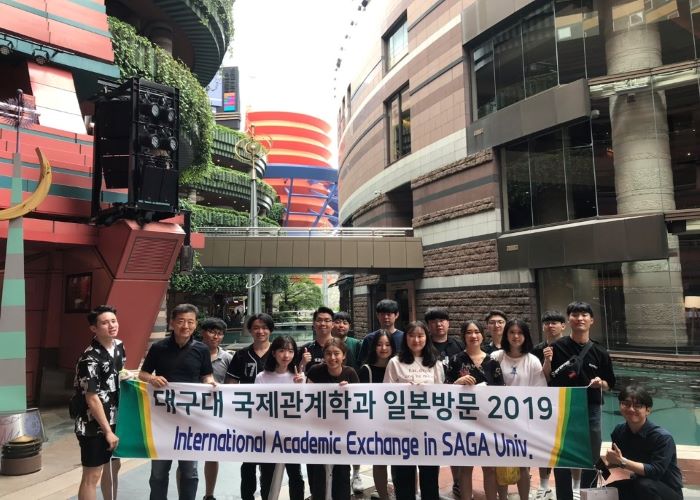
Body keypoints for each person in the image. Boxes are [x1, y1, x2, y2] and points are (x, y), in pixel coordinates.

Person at [139, 303, 215, 500]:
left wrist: (210, 383)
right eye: (181, 321)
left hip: (190, 419)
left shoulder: (201, 349)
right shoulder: (158, 348)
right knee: (158, 472)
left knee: (190, 471)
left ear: (195, 324)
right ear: (172, 323)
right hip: (162, 419)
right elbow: (143, 374)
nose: (185, 326)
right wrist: (152, 378)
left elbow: (206, 375)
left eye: (190, 322)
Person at [549, 301, 616, 500]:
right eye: (575, 315)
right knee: (562, 456)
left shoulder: (600, 351)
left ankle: (589, 495)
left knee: (591, 455)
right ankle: (564, 497)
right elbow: (547, 378)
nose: (580, 318)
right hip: (564, 408)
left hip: (591, 408)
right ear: (568, 319)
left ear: (591, 320)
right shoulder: (556, 348)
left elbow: (610, 383)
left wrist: (601, 383)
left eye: (584, 315)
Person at [384, 321, 443, 500]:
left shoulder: (435, 363)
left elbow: (441, 394)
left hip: (428, 429)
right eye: (411, 336)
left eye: (420, 336)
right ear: (405, 338)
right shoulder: (395, 362)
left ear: (427, 338)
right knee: (403, 478)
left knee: (430, 477)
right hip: (402, 429)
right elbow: (386, 394)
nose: (416, 340)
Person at [446, 320, 504, 500]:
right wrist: (457, 383)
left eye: (477, 332)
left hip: (488, 421)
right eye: (469, 332)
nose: (473, 336)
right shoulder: (456, 360)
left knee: (490, 467)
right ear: (463, 336)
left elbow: (501, 391)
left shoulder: (492, 361)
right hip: (463, 421)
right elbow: (444, 390)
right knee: (466, 467)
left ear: (482, 335)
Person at [73, 305, 126, 500]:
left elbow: (119, 374)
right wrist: (108, 431)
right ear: (94, 328)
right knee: (92, 475)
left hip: (116, 418)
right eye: (105, 323)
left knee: (113, 467)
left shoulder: (119, 346)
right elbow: (92, 398)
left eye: (113, 321)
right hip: (92, 424)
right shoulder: (89, 358)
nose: (111, 325)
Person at [490, 319, 547, 500]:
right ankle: (503, 497)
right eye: (512, 332)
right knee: (501, 462)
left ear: (526, 336)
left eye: (520, 333)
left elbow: (540, 390)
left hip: (523, 420)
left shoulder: (532, 360)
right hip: (499, 419)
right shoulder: (496, 357)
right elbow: (487, 386)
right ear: (506, 335)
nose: (516, 336)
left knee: (523, 463)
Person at [225, 313, 274, 500]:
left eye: (264, 327)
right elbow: (230, 384)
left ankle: (268, 496)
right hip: (248, 416)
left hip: (273, 417)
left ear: (270, 330)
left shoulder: (279, 353)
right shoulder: (241, 355)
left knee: (269, 463)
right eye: (256, 328)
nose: (260, 331)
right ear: (250, 330)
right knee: (248, 462)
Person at [605, 385, 683, 500]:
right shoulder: (619, 430)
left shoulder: (662, 437)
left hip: (667, 491)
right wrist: (604, 465)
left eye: (637, 406)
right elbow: (616, 463)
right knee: (609, 491)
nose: (631, 409)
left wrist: (622, 461)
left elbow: (655, 471)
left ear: (648, 410)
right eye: (626, 404)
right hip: (638, 483)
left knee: (644, 485)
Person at [306, 338, 359, 500]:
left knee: (342, 472)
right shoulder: (315, 371)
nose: (332, 357)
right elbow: (307, 398)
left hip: (342, 432)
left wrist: (349, 392)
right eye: (328, 354)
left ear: (344, 355)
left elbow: (359, 402)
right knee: (319, 472)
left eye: (337, 353)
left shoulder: (350, 373)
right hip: (319, 431)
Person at [255, 335, 306, 500]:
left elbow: (305, 408)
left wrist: (301, 387)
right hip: (269, 435)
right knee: (267, 476)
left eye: (290, 351)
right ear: (274, 353)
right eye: (282, 351)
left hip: (292, 434)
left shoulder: (299, 377)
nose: (286, 355)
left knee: (295, 474)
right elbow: (257, 407)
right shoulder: (262, 377)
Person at [424, 307, 463, 497]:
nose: (438, 324)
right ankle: (431, 488)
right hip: (430, 406)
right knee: (431, 446)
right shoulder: (423, 346)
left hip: (455, 405)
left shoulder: (459, 346)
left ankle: (458, 483)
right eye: (433, 321)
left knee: (455, 445)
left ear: (448, 323)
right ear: (428, 325)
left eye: (442, 320)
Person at [531, 310, 566, 499]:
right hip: (543, 402)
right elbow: (538, 377)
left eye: (555, 322)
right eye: (547, 323)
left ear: (563, 326)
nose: (550, 326)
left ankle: (574, 486)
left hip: (566, 400)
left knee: (567, 443)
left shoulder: (571, 347)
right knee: (543, 443)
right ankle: (544, 485)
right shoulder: (537, 350)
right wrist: (547, 360)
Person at [358, 331, 396, 500]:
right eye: (379, 344)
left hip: (397, 421)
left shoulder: (399, 366)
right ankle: (383, 496)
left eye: (387, 344)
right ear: (373, 347)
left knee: (402, 462)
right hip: (376, 424)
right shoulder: (366, 370)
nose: (383, 348)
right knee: (380, 462)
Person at [199, 317, 232, 500]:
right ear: (203, 332)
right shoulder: (192, 353)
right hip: (191, 412)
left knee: (212, 453)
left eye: (219, 333)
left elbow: (232, 386)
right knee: (185, 455)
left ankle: (209, 494)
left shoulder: (227, 358)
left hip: (216, 414)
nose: (215, 336)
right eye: (212, 332)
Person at [332, 311, 364, 494]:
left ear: (349, 326)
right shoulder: (328, 343)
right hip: (331, 399)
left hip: (352, 396)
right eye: (337, 322)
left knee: (354, 436)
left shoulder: (356, 344)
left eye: (345, 322)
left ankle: (356, 472)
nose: (341, 325)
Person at [300, 306, 335, 372]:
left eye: (327, 320)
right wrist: (303, 363)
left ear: (333, 324)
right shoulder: (306, 349)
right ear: (313, 323)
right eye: (319, 320)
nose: (323, 324)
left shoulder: (341, 347)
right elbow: (299, 373)